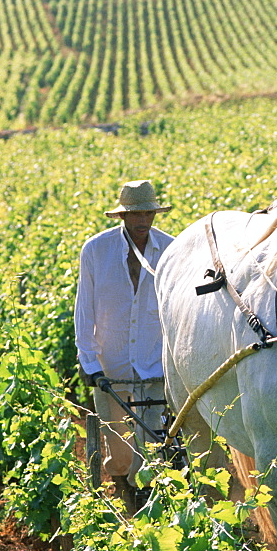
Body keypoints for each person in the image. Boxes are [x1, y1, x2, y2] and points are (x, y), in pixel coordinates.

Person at [74, 180, 174, 512]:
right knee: (116, 445)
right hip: (110, 365)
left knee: (151, 443)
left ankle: (141, 500)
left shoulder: (171, 251)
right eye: (135, 214)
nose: (142, 220)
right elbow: (84, 308)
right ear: (122, 215)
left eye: (148, 212)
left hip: (153, 363)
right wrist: (89, 363)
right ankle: (120, 481)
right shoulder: (96, 251)